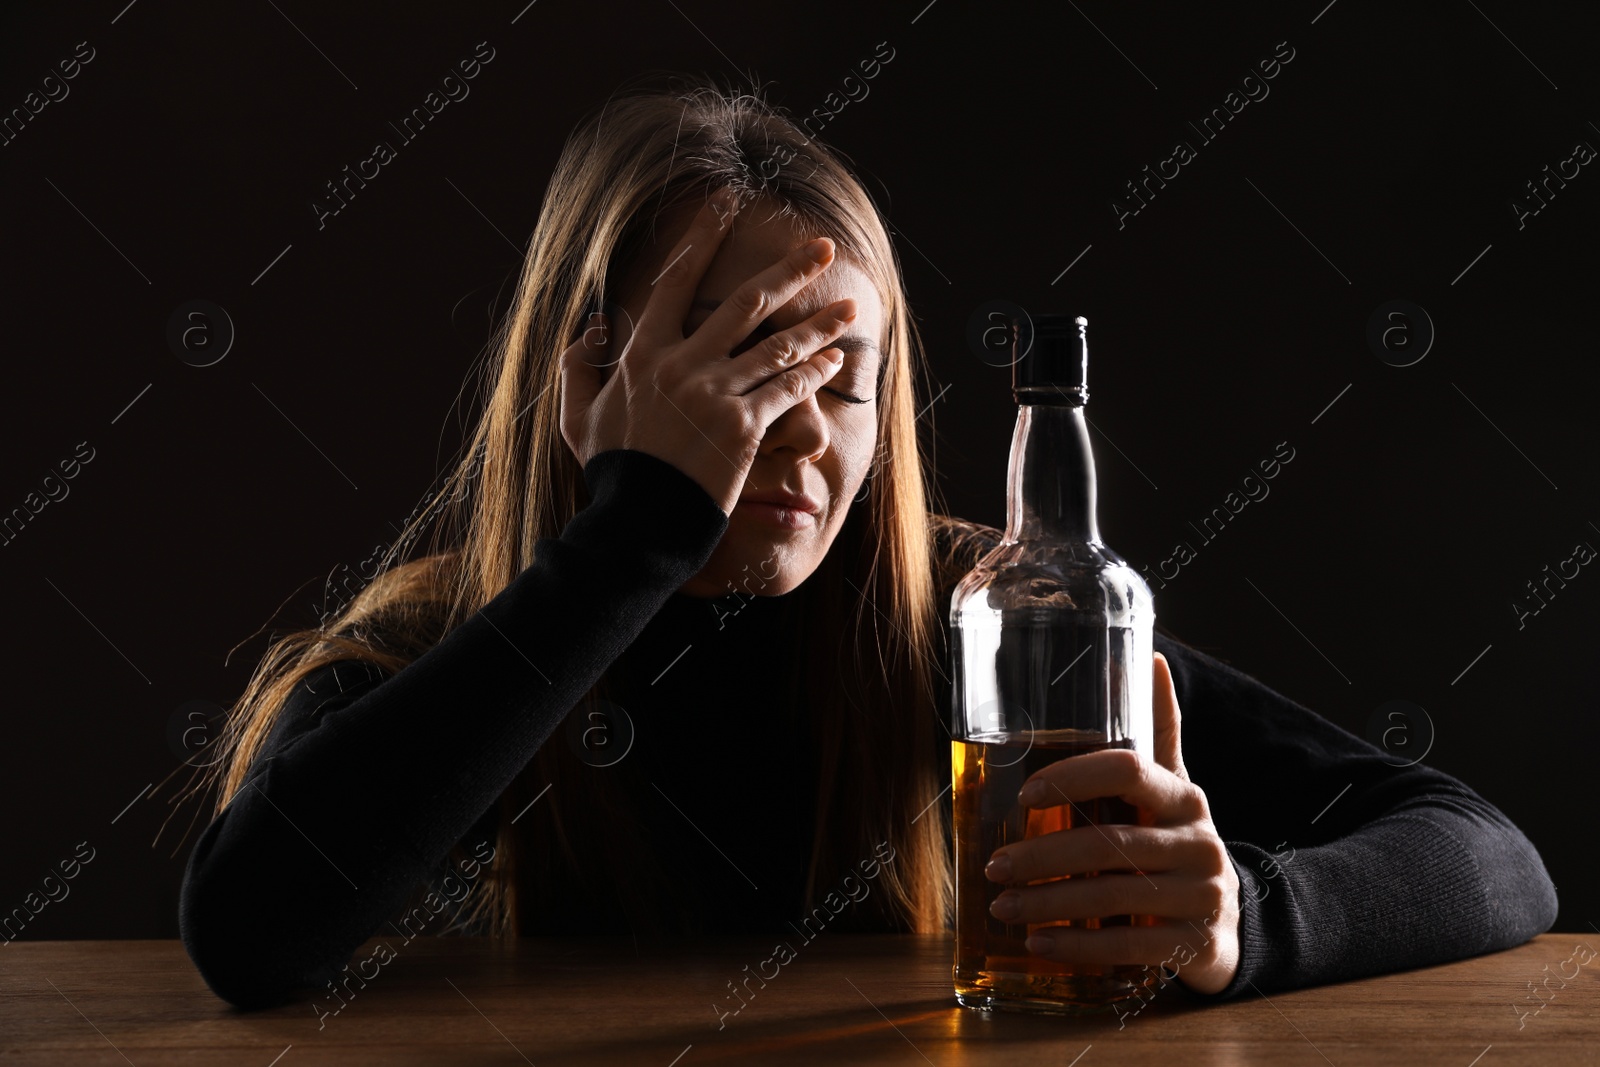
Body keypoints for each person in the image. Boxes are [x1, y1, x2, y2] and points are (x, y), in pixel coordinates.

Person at [172, 75, 1557, 1012]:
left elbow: (1487, 853)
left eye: (838, 380)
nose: (795, 430)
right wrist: (638, 526)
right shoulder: (441, 646)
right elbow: (250, 940)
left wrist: (1248, 922)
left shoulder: (980, 618)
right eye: (738, 363)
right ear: (584, 378)